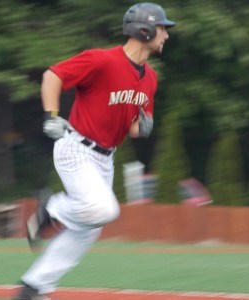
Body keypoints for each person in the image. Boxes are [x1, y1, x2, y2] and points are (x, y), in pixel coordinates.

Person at [15, 3, 175, 299]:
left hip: (105, 158)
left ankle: (34, 286)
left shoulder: (150, 78)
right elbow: (53, 75)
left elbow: (133, 129)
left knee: (90, 227)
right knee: (103, 210)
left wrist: (144, 127)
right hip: (76, 147)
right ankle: (51, 208)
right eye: (163, 28)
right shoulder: (102, 60)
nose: (165, 35)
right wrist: (51, 115)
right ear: (145, 30)